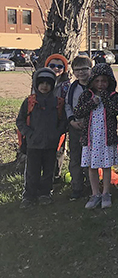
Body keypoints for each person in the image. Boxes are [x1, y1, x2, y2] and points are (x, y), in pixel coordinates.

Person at [16, 68, 68, 208]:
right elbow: (20, 120)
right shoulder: (30, 102)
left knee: (49, 171)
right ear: (36, 84)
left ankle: (45, 193)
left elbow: (63, 121)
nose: (44, 86)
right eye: (41, 83)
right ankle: (29, 196)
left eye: (48, 83)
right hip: (33, 144)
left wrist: (57, 133)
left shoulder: (58, 102)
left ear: (53, 85)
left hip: (51, 144)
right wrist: (28, 133)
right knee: (32, 172)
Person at [74, 63, 118, 209]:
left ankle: (106, 192)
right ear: (92, 81)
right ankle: (95, 194)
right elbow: (78, 112)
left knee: (106, 165)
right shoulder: (86, 95)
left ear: (110, 82)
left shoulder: (113, 96)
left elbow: (114, 111)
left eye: (104, 81)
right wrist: (90, 103)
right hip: (91, 137)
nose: (100, 84)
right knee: (91, 166)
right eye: (97, 81)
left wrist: (105, 98)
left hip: (106, 137)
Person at [65, 56, 94, 201]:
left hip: (93, 128)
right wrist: (72, 121)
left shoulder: (95, 86)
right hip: (76, 127)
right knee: (75, 158)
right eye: (77, 70)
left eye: (85, 69)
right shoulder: (72, 88)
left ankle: (92, 185)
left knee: (90, 158)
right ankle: (77, 186)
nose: (81, 72)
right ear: (74, 72)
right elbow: (67, 105)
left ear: (91, 69)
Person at [44, 54, 71, 180]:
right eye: (52, 66)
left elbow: (68, 103)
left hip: (59, 121)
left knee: (58, 149)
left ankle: (56, 175)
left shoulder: (66, 85)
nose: (56, 69)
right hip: (43, 121)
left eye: (60, 66)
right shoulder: (41, 81)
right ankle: (44, 174)